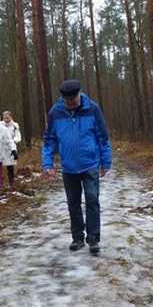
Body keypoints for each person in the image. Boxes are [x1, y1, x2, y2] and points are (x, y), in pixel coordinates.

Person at [42, 79, 112, 255]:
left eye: (74, 100)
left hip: (91, 164)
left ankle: (94, 239)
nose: (72, 104)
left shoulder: (93, 109)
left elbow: (103, 137)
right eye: (68, 101)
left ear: (79, 94)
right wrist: (47, 163)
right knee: (73, 203)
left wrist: (106, 161)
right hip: (68, 167)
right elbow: (49, 139)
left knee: (92, 200)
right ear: (63, 98)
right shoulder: (55, 112)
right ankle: (78, 238)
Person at [1, 111, 22, 191]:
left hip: (11, 148)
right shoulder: (0, 125)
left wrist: (13, 141)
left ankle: (11, 184)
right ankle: (0, 184)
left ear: (10, 117)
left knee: (10, 167)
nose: (6, 119)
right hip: (1, 148)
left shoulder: (15, 126)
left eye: (7, 117)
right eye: (4, 117)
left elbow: (18, 136)